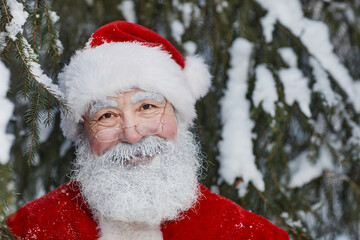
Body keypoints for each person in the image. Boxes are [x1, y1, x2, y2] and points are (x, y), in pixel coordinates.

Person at [6, 21, 289, 240]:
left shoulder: (248, 234)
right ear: (84, 133)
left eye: (147, 108)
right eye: (107, 115)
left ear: (178, 118)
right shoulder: (28, 230)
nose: (131, 134)